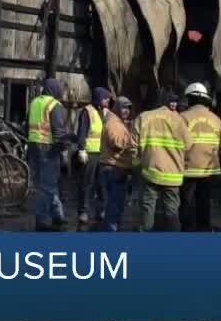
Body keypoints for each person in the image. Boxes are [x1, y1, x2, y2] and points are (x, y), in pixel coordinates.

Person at [133, 89, 191, 231]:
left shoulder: (143, 117)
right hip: (173, 175)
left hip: (150, 172)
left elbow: (133, 147)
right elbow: (188, 145)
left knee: (148, 206)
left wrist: (136, 165)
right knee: (172, 211)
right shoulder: (179, 120)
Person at [178, 82, 221, 232]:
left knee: (187, 202)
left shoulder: (182, 118)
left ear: (190, 100)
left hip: (188, 168)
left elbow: (176, 141)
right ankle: (203, 230)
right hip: (208, 170)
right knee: (204, 201)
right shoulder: (216, 119)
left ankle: (187, 230)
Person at [26, 78, 70, 231]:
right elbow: (59, 132)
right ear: (55, 89)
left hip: (33, 146)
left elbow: (27, 125)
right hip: (48, 148)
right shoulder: (54, 105)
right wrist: (63, 153)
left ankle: (58, 213)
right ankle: (42, 218)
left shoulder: (34, 102)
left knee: (45, 184)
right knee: (47, 186)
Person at [99, 96, 138, 232]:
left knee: (116, 205)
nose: (126, 111)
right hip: (114, 168)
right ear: (117, 108)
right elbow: (116, 142)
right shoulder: (112, 122)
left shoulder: (120, 122)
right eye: (124, 107)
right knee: (114, 207)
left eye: (128, 108)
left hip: (118, 168)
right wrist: (131, 139)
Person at [75, 87, 111, 227]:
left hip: (103, 154)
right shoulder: (87, 111)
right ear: (98, 98)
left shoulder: (107, 112)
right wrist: (81, 149)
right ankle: (83, 211)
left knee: (102, 184)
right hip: (90, 154)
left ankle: (101, 211)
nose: (108, 100)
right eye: (105, 98)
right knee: (86, 184)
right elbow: (82, 132)